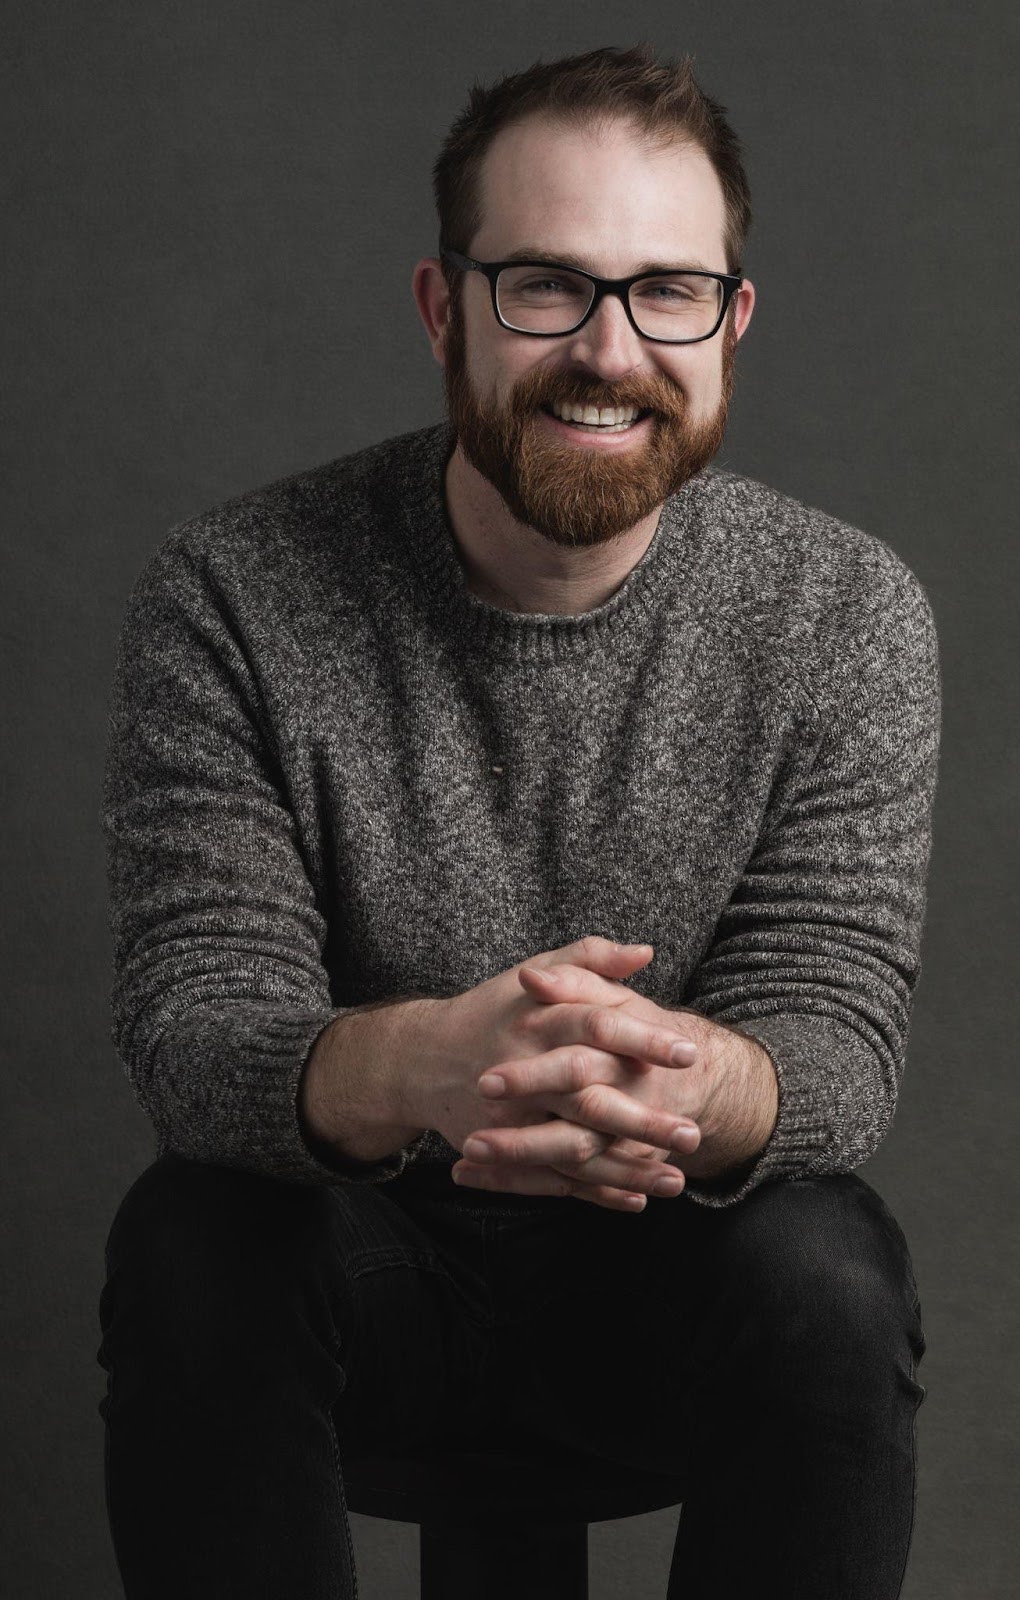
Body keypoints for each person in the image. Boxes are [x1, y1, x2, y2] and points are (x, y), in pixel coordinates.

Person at [96, 43, 937, 1600]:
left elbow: (832, 1039)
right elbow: (195, 1025)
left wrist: (668, 1072)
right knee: (195, 1238)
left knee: (829, 1263)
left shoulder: (843, 612)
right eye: (545, 285)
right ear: (445, 308)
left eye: (666, 291)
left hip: (671, 1293)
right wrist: (424, 1066)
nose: (608, 351)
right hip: (359, 1288)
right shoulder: (233, 589)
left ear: (731, 322)